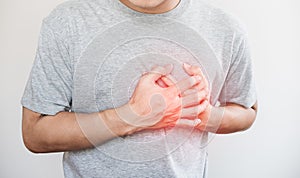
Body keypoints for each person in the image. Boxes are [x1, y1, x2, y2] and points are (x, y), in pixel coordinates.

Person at [21, 0, 258, 177]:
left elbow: (247, 112)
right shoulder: (67, 22)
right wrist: (131, 117)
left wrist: (205, 116)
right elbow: (35, 134)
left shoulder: (227, 29)